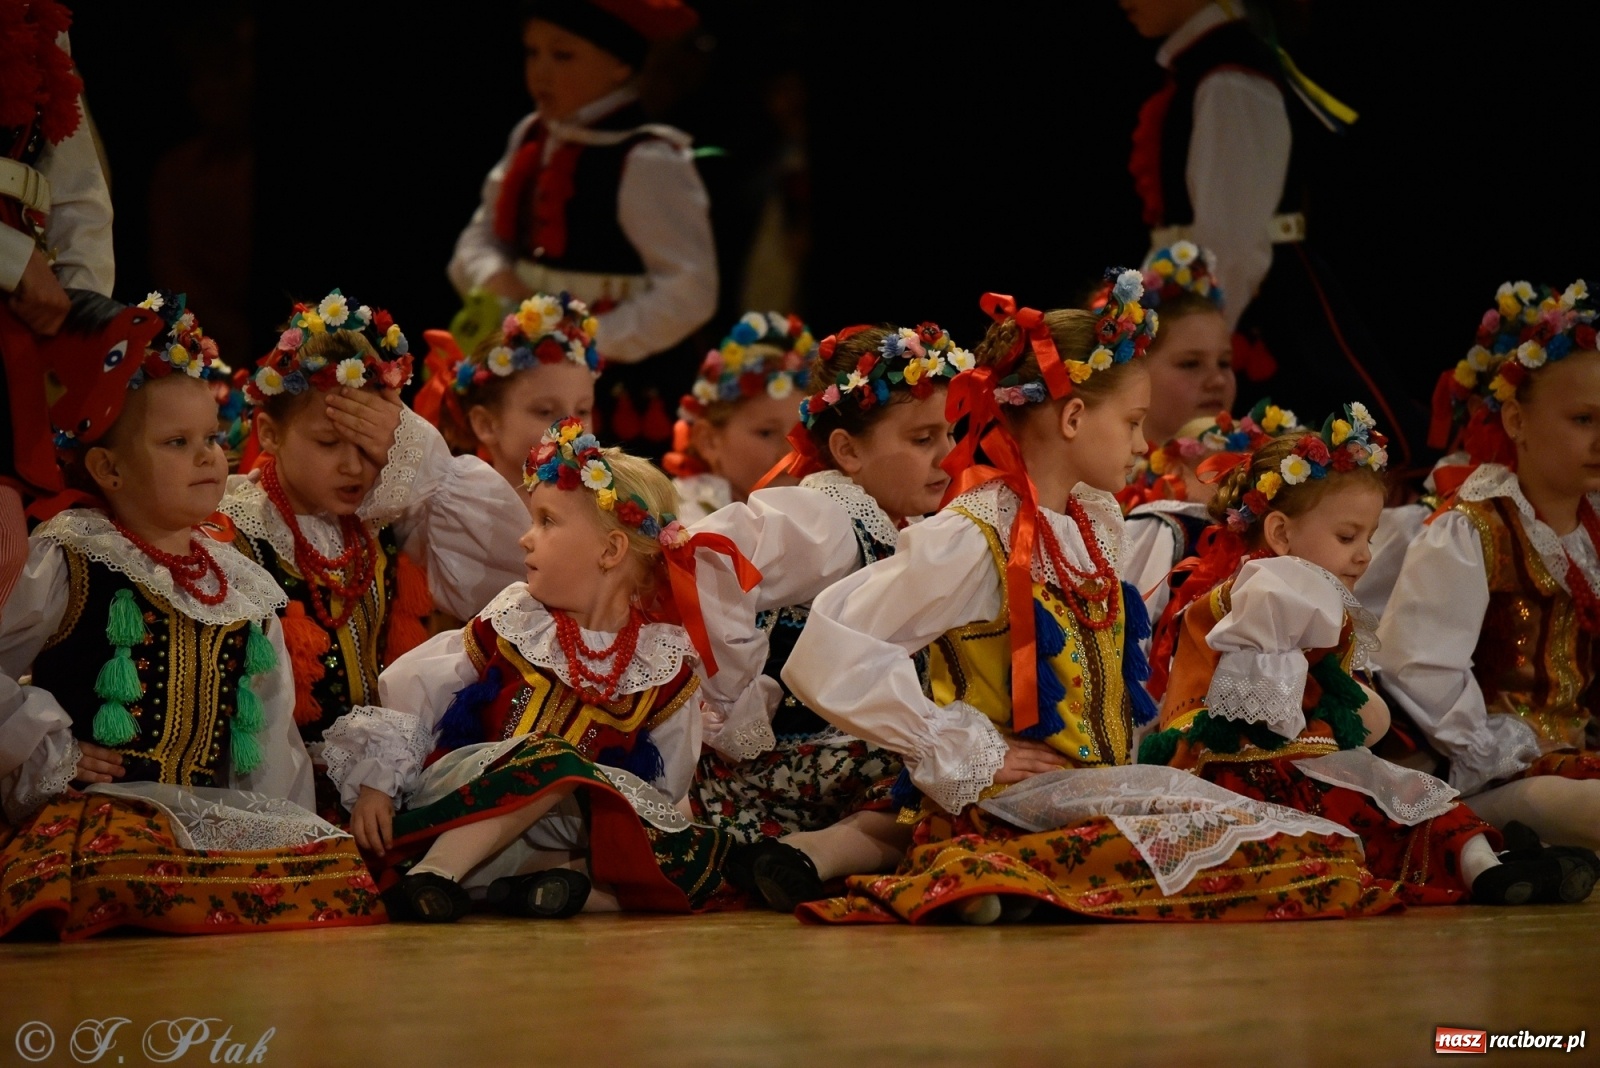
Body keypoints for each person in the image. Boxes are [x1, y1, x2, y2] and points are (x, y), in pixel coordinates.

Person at [781, 278, 1384, 924]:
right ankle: (977, 869)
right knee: (1265, 853)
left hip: (1087, 791)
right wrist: (963, 746)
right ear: (1072, 418)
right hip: (1013, 802)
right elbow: (826, 648)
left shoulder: (1093, 522)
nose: (1141, 445)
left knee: (1306, 840)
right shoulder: (972, 536)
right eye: (1131, 423)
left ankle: (1004, 883)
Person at [0, 294, 380, 939]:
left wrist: (277, 826)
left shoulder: (242, 584)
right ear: (108, 467)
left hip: (204, 811)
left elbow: (267, 742)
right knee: (115, 847)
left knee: (329, 865)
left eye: (211, 439)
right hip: (108, 804)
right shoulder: (73, 555)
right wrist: (49, 747)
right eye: (177, 443)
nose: (208, 457)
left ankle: (194, 898)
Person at [1143, 403, 1597, 905]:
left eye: (1369, 538)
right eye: (1347, 537)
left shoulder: (1315, 602)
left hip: (1303, 760)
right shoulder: (1267, 591)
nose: (1364, 555)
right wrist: (1352, 711)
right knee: (1388, 806)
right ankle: (1486, 869)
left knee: (1411, 799)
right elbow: (1269, 712)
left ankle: (1495, 868)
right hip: (1245, 767)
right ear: (1279, 533)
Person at [321, 418, 750, 921]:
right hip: (469, 795)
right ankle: (432, 874)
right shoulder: (516, 619)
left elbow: (665, 790)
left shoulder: (663, 664)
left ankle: (527, 888)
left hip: (559, 827)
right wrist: (377, 783)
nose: (525, 539)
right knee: (554, 759)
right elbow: (416, 687)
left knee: (692, 849)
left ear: (610, 551)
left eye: (546, 522)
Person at [687, 321, 963, 910]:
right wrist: (737, 704)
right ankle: (819, 853)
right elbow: (704, 558)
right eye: (922, 439)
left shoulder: (891, 527)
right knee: (946, 779)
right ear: (847, 450)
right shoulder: (829, 521)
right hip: (785, 769)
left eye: (952, 432)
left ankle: (798, 857)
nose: (949, 454)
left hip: (826, 771)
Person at [224, 290, 531, 813]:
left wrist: (414, 448)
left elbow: (513, 579)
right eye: (328, 443)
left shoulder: (382, 525)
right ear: (269, 433)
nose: (353, 466)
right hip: (270, 790)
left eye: (370, 447)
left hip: (380, 787)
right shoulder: (236, 532)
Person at [1121, 0, 1423, 466]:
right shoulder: (1204, 67)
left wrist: (1201, 338)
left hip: (1252, 306)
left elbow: (1233, 242)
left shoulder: (1230, 75)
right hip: (1200, 299)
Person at [1378, 281, 1600, 858]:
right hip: (1493, 775)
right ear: (1516, 421)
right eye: (1583, 419)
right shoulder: (1473, 528)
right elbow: (1418, 667)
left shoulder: (1593, 527)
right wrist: (1498, 752)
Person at [447, 0, 714, 456]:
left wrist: (586, 343)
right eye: (533, 54)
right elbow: (479, 237)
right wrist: (496, 280)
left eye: (563, 56)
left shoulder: (648, 159)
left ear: (620, 64)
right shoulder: (533, 135)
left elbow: (691, 290)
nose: (541, 72)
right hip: (531, 365)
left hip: (619, 384)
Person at [415, 292, 601, 491]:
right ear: (486, 424)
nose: (572, 430)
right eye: (545, 411)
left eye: (582, 411)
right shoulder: (464, 518)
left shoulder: (607, 515)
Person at [664, 310, 812, 523]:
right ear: (709, 441)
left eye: (802, 433)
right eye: (766, 433)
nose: (792, 454)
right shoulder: (681, 525)